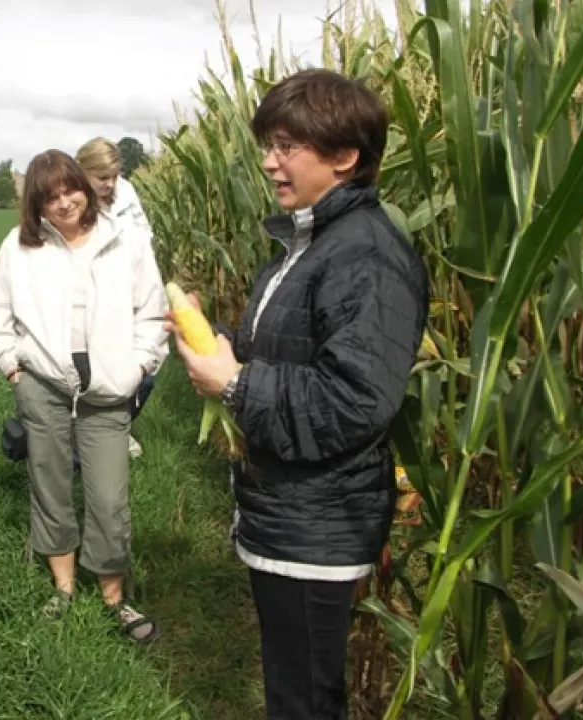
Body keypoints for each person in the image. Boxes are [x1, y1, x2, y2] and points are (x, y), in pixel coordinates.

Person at [169, 68, 429, 718]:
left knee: (305, 701)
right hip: (291, 514)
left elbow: (352, 401)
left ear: (345, 156)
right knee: (294, 690)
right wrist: (218, 342)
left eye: (286, 146)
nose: (268, 162)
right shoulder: (308, 242)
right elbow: (287, 353)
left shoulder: (364, 256)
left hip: (319, 528)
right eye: (268, 145)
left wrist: (234, 382)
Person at [0, 149, 168, 644]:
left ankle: (115, 596)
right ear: (36, 204)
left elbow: (153, 312)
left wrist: (140, 365)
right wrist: (11, 365)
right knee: (51, 487)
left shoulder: (123, 241)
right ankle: (63, 588)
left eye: (71, 190)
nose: (65, 203)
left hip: (108, 388)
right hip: (42, 385)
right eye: (51, 196)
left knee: (108, 498)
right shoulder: (18, 247)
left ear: (85, 188)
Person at [76, 137, 156, 456]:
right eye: (102, 178)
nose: (110, 184)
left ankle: (117, 427)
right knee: (90, 373)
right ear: (84, 172)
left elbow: (144, 235)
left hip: (128, 297)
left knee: (143, 376)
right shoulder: (70, 200)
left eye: (114, 176)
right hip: (89, 302)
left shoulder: (126, 191)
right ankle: (84, 438)